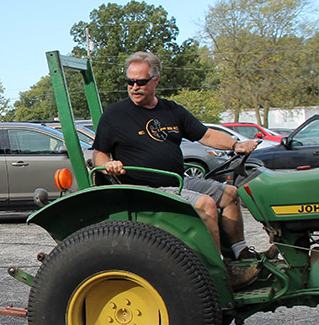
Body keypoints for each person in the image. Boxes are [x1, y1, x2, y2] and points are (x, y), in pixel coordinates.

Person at [93, 51, 264, 287]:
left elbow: (206, 134)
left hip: (176, 181)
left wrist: (236, 144)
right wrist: (108, 165)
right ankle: (219, 272)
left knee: (230, 194)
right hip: (145, 188)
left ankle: (241, 253)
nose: (134, 87)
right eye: (129, 82)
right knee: (205, 204)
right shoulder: (114, 114)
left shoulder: (172, 110)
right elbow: (99, 154)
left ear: (155, 80)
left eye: (140, 82)